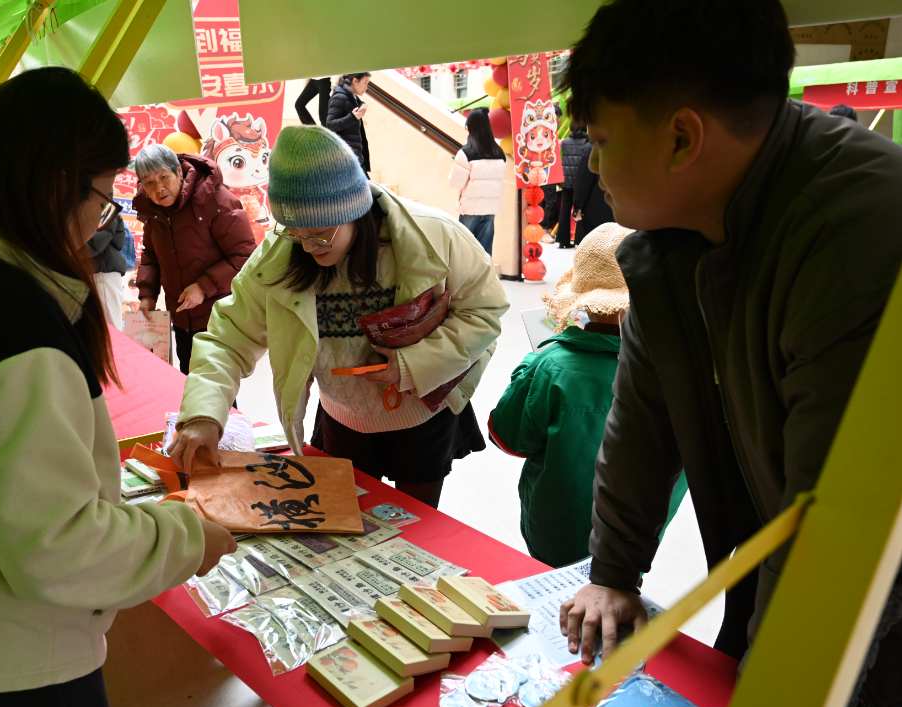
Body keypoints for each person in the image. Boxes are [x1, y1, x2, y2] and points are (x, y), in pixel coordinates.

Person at [554, 2, 902, 707]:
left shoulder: (854, 244)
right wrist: (612, 573)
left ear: (682, 137)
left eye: (602, 140)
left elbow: (835, 538)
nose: (591, 164)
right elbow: (642, 420)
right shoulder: (676, 232)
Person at [0, 67, 236, 707]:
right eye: (101, 199)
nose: (95, 225)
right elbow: (61, 549)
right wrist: (189, 536)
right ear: (55, 184)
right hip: (7, 665)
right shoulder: (10, 323)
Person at [169, 126, 508, 508]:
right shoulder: (280, 253)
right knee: (345, 516)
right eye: (295, 233)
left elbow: (485, 309)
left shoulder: (432, 234)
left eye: (319, 234)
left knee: (417, 525)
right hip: (342, 419)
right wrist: (203, 415)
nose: (308, 248)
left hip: (422, 418)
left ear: (354, 212)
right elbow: (227, 338)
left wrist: (415, 364)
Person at [489, 223, 688, 567]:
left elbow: (508, 437)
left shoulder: (550, 364)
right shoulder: (682, 370)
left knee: (553, 585)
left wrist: (529, 370)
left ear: (582, 299)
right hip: (641, 533)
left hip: (557, 531)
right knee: (620, 583)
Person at [133, 144, 256, 375]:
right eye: (149, 183)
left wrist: (202, 286)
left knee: (215, 385)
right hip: (181, 316)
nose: (159, 189)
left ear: (179, 172)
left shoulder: (216, 200)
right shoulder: (152, 210)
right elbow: (150, 255)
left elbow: (246, 257)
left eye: (164, 177)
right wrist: (147, 295)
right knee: (188, 379)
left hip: (218, 316)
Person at [448, 107, 506, 255]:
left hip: (470, 209)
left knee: (464, 249)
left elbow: (456, 183)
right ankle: (485, 272)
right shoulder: (499, 153)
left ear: (471, 126)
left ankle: (466, 271)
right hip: (490, 208)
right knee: (485, 251)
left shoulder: (466, 152)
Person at [85, 214, 127, 327]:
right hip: (98, 271)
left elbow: (92, 245)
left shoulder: (102, 209)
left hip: (100, 273)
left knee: (107, 330)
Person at [327, 72, 372, 173]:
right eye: (365, 83)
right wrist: (352, 117)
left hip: (353, 157)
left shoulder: (353, 99)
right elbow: (330, 125)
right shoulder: (339, 97)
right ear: (355, 81)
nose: (366, 87)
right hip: (344, 158)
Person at [570, 141, 614, 245]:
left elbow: (583, 181)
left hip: (593, 209)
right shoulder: (622, 147)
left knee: (592, 247)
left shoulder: (591, 149)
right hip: (617, 209)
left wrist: (578, 206)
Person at [555, 122, 589, 248]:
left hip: (566, 180)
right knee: (581, 210)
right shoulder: (587, 143)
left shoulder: (565, 142)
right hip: (581, 182)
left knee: (565, 208)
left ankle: (562, 240)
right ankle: (580, 240)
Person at [540, 103, 564, 242]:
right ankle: (544, 231)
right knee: (550, 201)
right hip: (546, 172)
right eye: (557, 116)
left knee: (548, 200)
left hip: (548, 171)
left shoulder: (547, 131)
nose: (560, 120)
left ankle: (543, 230)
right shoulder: (546, 132)